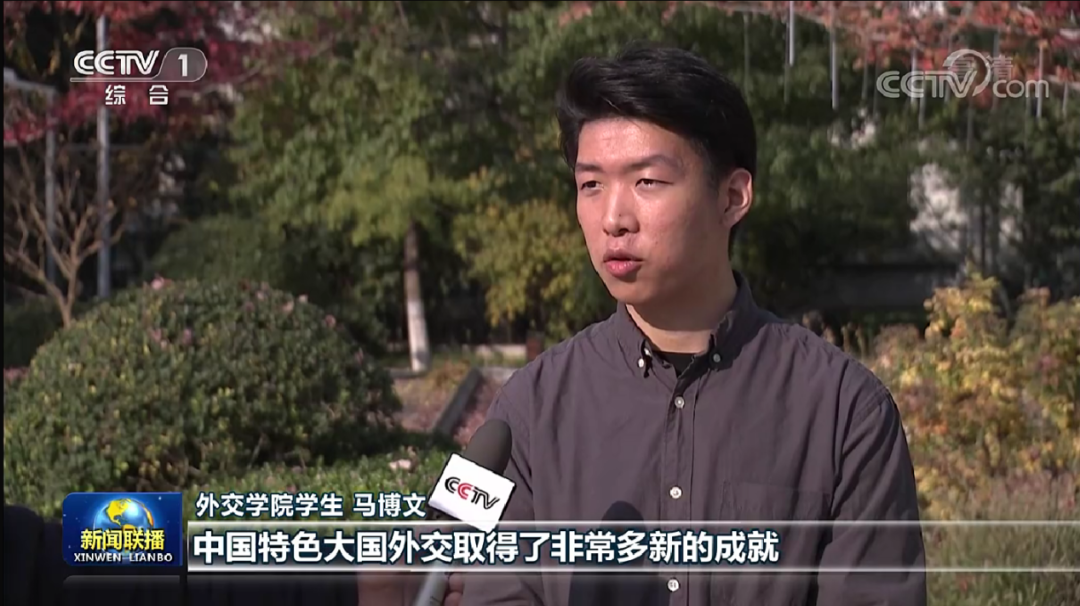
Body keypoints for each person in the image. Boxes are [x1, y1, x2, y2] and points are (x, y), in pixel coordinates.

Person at [453, 43, 927, 606]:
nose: (613, 219)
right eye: (591, 185)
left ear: (732, 197)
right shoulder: (529, 409)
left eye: (647, 182)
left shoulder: (844, 411)